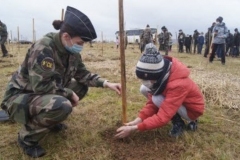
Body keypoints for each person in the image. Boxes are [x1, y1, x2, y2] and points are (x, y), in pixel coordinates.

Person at [0, 6, 121, 158]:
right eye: (80, 42)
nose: (81, 47)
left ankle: (50, 120)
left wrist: (107, 83)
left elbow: (82, 74)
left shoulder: (71, 50)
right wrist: (69, 94)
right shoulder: (44, 48)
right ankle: (27, 138)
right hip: (20, 96)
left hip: (39, 94)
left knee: (81, 86)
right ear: (66, 37)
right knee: (62, 105)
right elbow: (41, 85)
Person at [115, 43, 204, 139]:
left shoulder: (178, 84)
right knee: (146, 91)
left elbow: (163, 116)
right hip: (176, 103)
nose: (145, 82)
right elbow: (152, 105)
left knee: (157, 98)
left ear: (155, 76)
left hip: (191, 110)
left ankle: (180, 122)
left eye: (146, 80)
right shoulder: (161, 78)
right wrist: (138, 120)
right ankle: (176, 118)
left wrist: (135, 128)